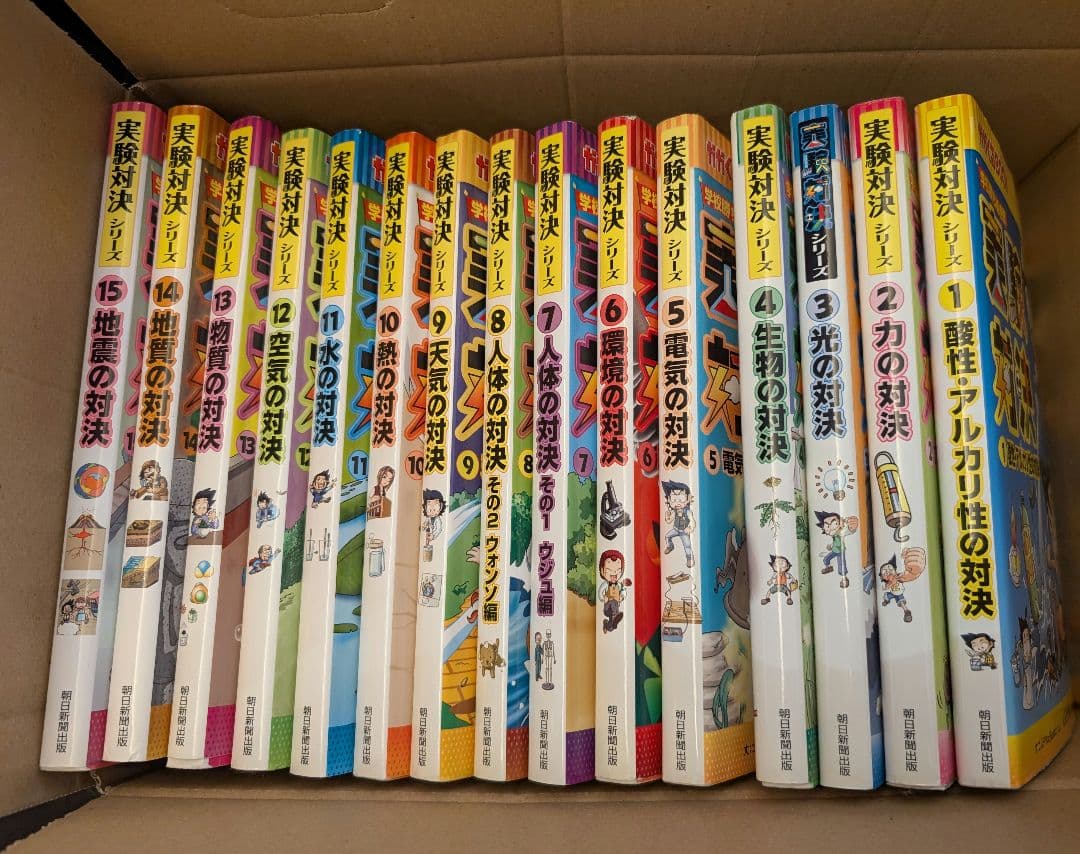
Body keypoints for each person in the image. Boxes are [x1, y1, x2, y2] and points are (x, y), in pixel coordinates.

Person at [598, 549, 630, 633]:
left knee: (611, 626)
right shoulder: (605, 584)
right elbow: (600, 592)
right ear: (602, 571)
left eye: (617, 571)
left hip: (615, 609)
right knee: (613, 602)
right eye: (609, 571)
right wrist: (603, 598)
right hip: (607, 608)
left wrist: (622, 596)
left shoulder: (619, 585)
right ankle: (615, 616)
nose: (614, 574)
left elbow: (623, 590)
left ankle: (607, 625)